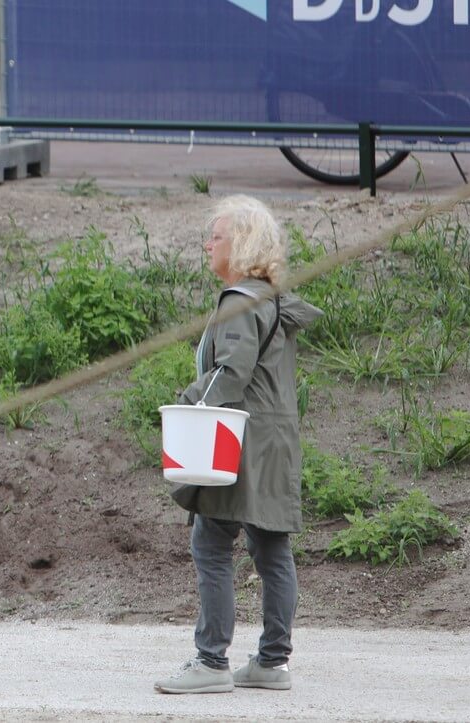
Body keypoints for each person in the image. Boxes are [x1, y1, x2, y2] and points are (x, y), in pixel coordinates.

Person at [154, 195, 322, 694]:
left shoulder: (237, 300)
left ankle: (210, 662)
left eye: (218, 235)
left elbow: (231, 372)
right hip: (276, 438)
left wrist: (185, 403)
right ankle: (272, 661)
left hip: (239, 436)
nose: (208, 244)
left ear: (242, 244)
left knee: (210, 541)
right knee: (271, 548)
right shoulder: (270, 301)